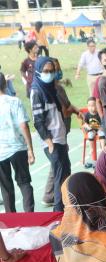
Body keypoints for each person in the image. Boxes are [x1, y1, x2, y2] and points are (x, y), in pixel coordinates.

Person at [31, 56, 70, 212]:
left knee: (66, 174)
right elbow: (38, 121)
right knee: (59, 177)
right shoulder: (37, 91)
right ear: (38, 71)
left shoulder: (51, 89)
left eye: (51, 71)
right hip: (52, 141)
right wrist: (49, 142)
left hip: (60, 138)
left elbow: (59, 114)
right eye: (46, 71)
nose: (49, 74)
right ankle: (58, 212)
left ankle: (66, 209)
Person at [0, 73, 35, 213]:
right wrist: (30, 149)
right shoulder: (15, 101)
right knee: (24, 182)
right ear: (5, 84)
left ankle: (10, 220)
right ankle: (29, 217)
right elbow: (24, 126)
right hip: (18, 148)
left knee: (6, 187)